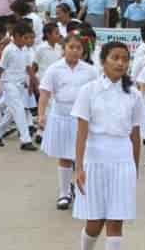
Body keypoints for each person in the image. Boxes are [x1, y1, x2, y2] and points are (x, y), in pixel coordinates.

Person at [72, 41, 144, 250]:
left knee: (116, 221)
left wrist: (134, 168)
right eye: (115, 58)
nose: (120, 63)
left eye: (125, 59)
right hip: (95, 158)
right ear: (103, 60)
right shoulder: (89, 91)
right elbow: (81, 132)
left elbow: (136, 135)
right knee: (95, 222)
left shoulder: (134, 95)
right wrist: (78, 167)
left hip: (121, 160)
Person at [38, 35, 99, 210]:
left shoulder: (90, 71)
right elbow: (44, 94)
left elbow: (97, 94)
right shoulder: (54, 69)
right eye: (71, 47)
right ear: (64, 48)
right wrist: (41, 115)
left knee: (84, 157)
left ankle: (83, 191)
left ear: (83, 51)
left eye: (78, 48)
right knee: (65, 156)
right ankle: (64, 193)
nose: (74, 51)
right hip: (61, 117)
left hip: (83, 118)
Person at [0, 21, 38, 150]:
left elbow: (28, 68)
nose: (27, 40)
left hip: (21, 85)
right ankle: (25, 140)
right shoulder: (9, 50)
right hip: (9, 84)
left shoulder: (25, 50)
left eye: (29, 37)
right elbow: (0, 70)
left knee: (11, 112)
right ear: (16, 36)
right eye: (25, 38)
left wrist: (34, 82)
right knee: (19, 109)